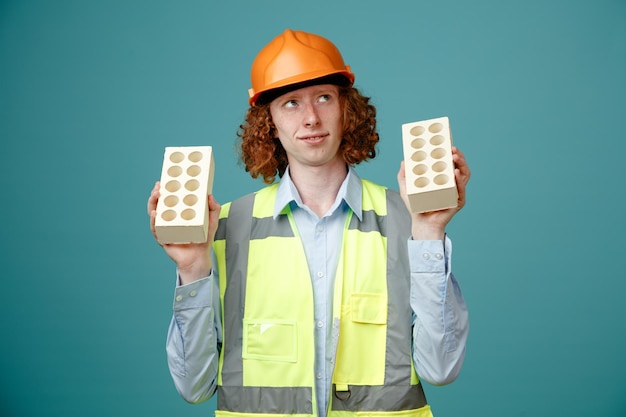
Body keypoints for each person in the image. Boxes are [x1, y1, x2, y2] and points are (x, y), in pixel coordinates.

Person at [148, 29, 470, 417]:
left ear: (345, 108)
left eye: (323, 97)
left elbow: (442, 369)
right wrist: (191, 268)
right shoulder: (224, 229)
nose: (311, 118)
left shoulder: (406, 221)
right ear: (268, 122)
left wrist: (431, 233)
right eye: (290, 103)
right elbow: (194, 386)